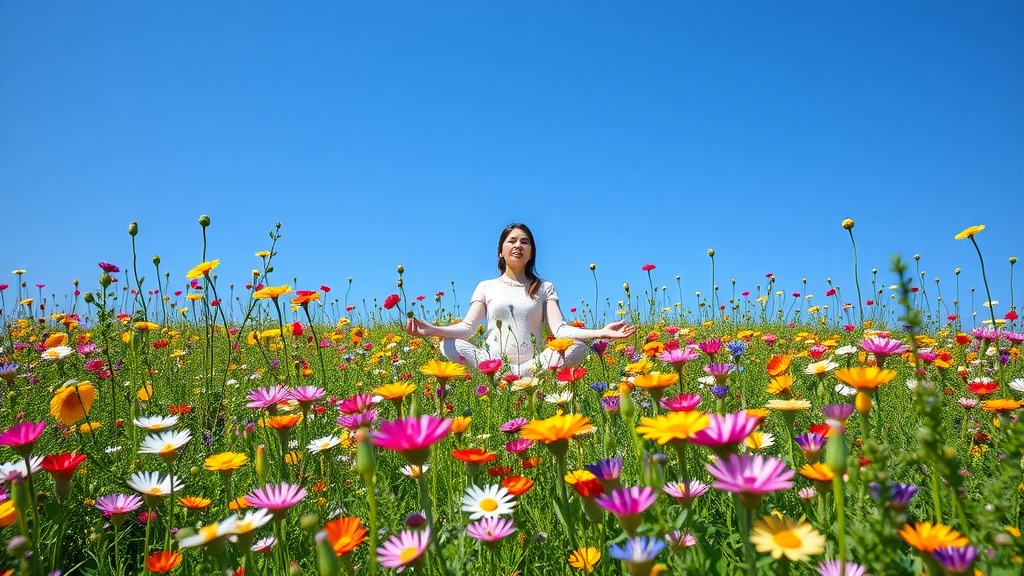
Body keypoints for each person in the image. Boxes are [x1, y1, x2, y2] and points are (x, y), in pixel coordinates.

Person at [405, 223, 636, 376]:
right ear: (500, 251)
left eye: (525, 242)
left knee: (577, 348)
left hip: (533, 365)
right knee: (448, 343)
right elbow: (467, 328)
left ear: (531, 252)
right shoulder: (486, 286)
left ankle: (519, 376)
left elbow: (561, 330)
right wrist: (432, 329)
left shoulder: (544, 287)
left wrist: (602, 332)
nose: (518, 245)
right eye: (512, 241)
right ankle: (499, 374)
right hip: (491, 362)